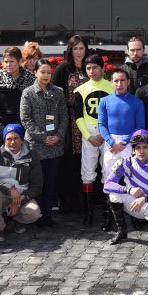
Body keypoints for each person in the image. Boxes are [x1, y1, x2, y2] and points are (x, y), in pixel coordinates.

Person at [20, 58, 68, 226]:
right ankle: (36, 215)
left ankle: (47, 215)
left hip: (55, 145)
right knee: (37, 182)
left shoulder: (58, 92)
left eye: (49, 72)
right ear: (35, 73)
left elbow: (64, 117)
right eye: (43, 72)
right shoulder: (28, 92)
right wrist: (42, 137)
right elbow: (25, 119)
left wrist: (58, 136)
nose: (46, 75)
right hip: (36, 145)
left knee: (50, 181)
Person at [97, 68, 145, 230]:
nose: (119, 84)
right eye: (116, 81)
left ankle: (135, 214)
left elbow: (140, 126)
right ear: (111, 82)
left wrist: (124, 142)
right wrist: (111, 142)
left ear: (128, 82)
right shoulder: (105, 101)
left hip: (129, 143)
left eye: (122, 80)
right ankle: (110, 217)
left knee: (131, 178)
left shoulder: (136, 102)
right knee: (109, 179)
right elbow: (101, 125)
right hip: (110, 144)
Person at [103, 130, 148, 245]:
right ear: (133, 149)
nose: (141, 151)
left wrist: (145, 198)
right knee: (113, 195)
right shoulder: (125, 162)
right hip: (133, 203)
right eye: (138, 147)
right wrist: (129, 189)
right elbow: (107, 184)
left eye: (145, 147)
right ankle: (122, 232)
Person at [72, 54, 115, 224]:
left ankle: (108, 212)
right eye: (88, 68)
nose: (91, 71)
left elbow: (115, 113)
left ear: (102, 68)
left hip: (107, 133)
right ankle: (88, 213)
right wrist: (88, 136)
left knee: (108, 171)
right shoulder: (80, 90)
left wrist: (105, 134)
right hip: (88, 133)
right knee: (87, 173)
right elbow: (78, 116)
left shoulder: (112, 87)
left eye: (95, 67)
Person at [51, 35, 90, 212]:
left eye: (82, 48)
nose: (79, 52)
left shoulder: (90, 67)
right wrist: (70, 102)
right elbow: (54, 93)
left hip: (89, 121)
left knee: (87, 160)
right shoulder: (63, 69)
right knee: (69, 162)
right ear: (70, 50)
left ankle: (86, 198)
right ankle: (67, 199)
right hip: (70, 122)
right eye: (76, 48)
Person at [0, 124, 43, 242]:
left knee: (34, 213)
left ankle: (18, 220)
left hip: (22, 195)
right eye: (9, 139)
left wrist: (19, 200)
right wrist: (10, 189)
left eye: (16, 138)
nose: (12, 142)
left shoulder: (31, 156)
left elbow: (37, 185)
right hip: (3, 194)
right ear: (4, 140)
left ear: (21, 139)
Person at [0, 46, 36, 139]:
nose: (8, 65)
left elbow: (35, 104)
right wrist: (2, 128)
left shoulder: (30, 78)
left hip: (25, 126)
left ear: (19, 62)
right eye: (6, 61)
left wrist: (30, 127)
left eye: (11, 61)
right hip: (3, 125)